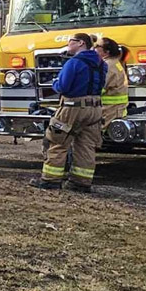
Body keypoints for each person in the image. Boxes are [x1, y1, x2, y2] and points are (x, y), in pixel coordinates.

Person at [32, 32, 105, 193]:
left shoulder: (74, 63)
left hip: (73, 108)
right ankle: (81, 182)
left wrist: (55, 82)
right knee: (86, 145)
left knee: (57, 141)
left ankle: (50, 180)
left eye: (70, 41)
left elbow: (63, 87)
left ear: (80, 43)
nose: (68, 44)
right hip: (95, 109)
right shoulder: (100, 63)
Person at [96, 37, 129, 130]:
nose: (95, 48)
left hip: (109, 110)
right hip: (114, 109)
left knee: (99, 136)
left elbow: (100, 87)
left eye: (97, 46)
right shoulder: (114, 63)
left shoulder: (107, 65)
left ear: (107, 51)